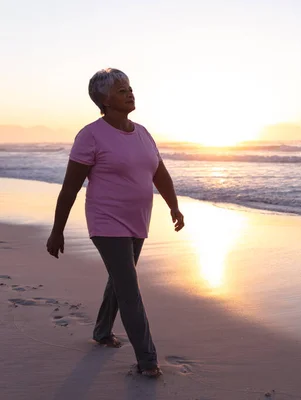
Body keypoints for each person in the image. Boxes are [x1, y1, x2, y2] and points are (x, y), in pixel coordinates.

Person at [46, 68, 184, 378]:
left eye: (130, 88)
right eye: (121, 90)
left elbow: (159, 173)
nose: (130, 93)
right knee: (129, 287)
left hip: (138, 219)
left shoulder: (143, 133)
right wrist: (58, 230)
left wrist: (174, 206)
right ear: (104, 100)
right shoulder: (90, 135)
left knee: (121, 280)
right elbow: (70, 187)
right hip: (106, 221)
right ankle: (148, 361)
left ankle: (102, 330)